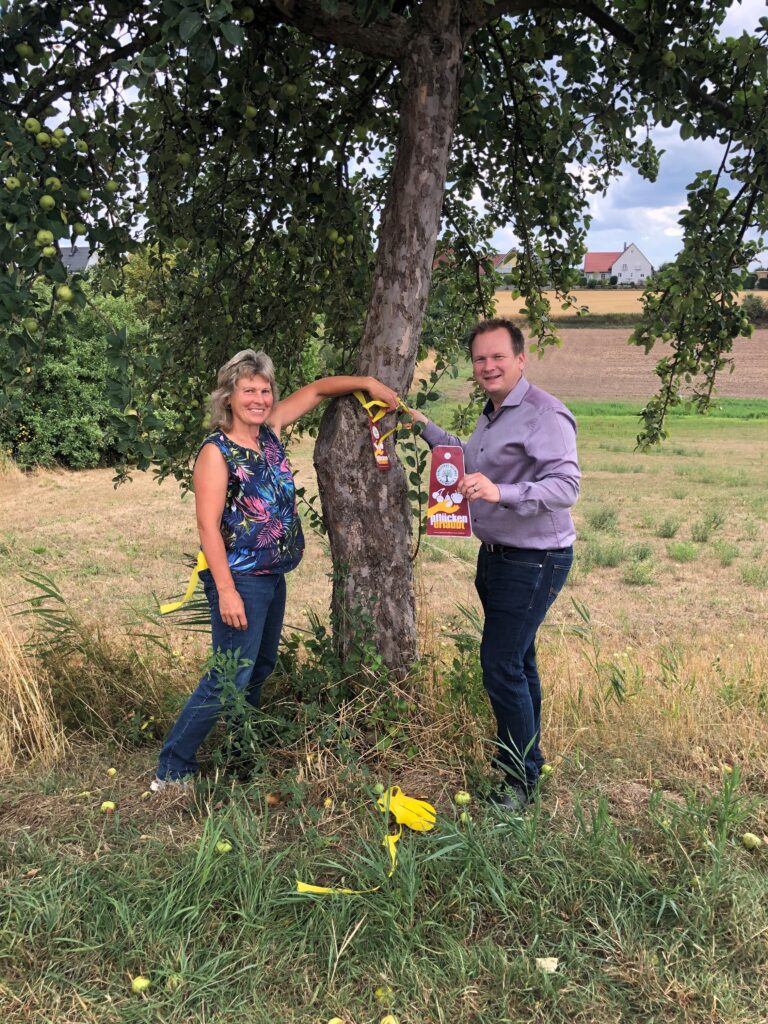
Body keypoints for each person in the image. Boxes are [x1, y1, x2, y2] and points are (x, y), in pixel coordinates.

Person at [152, 349, 398, 789]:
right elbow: (207, 527)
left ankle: (241, 754)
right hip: (240, 577)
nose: (259, 398)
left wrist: (368, 385)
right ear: (229, 396)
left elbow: (321, 389)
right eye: (249, 390)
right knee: (229, 672)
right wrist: (226, 590)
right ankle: (174, 766)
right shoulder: (217, 451)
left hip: (271, 576)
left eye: (264, 390)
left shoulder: (270, 432)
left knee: (260, 665)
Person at [411, 318, 579, 809]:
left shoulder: (544, 414)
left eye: (498, 357)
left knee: (501, 664)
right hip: (498, 556)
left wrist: (499, 491)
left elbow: (567, 487)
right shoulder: (493, 414)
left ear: (520, 359)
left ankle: (520, 783)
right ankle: (530, 763)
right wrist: (422, 426)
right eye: (480, 359)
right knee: (519, 662)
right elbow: (464, 458)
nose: (488, 366)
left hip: (535, 560)